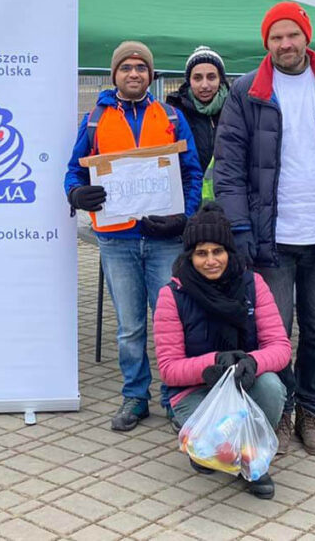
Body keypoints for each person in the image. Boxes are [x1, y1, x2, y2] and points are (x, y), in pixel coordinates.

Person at [213, 2, 315, 456]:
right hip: (271, 240)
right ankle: (281, 414)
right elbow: (227, 170)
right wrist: (240, 226)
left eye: (292, 35)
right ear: (266, 43)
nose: (285, 44)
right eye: (275, 38)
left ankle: (311, 411)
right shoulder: (247, 92)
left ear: (307, 36)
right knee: (277, 335)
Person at [65, 41, 203, 431]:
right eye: (125, 68)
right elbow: (74, 170)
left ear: (151, 75)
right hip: (117, 240)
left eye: (141, 68)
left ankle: (175, 397)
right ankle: (135, 396)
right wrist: (76, 193)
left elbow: (191, 172)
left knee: (170, 322)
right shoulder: (94, 120)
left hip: (164, 239)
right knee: (129, 326)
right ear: (115, 75)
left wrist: (185, 216)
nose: (133, 74)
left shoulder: (171, 117)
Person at [153, 203, 290, 499]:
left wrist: (251, 362)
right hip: (197, 390)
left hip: (245, 381)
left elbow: (280, 347)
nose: (211, 261)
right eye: (201, 253)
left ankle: (252, 459)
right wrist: (212, 364)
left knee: (272, 386)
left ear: (230, 252)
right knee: (210, 450)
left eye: (218, 251)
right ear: (189, 256)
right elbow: (168, 368)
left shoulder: (253, 285)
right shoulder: (171, 296)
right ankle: (205, 446)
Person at [166, 46, 230, 200]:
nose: (205, 85)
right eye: (197, 78)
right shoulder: (174, 114)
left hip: (228, 199)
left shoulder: (236, 110)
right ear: (189, 81)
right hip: (188, 201)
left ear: (221, 79)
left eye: (211, 77)